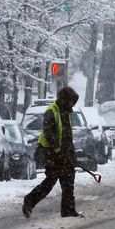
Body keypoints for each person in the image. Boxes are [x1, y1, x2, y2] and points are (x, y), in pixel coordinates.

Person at [23, 87, 83, 218]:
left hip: (65, 154)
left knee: (69, 182)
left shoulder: (67, 113)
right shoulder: (51, 112)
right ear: (64, 100)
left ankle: (68, 210)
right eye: (71, 101)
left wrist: (71, 153)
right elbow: (50, 135)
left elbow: (67, 135)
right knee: (50, 182)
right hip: (51, 153)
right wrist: (58, 151)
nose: (73, 104)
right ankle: (29, 200)